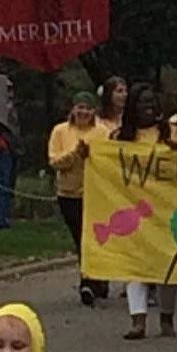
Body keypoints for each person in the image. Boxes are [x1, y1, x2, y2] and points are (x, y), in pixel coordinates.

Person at [111, 83, 177, 340]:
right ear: (132, 107)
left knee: (167, 265)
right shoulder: (119, 137)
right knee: (135, 265)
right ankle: (138, 321)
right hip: (133, 207)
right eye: (143, 102)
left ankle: (167, 319)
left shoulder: (173, 133)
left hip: (167, 210)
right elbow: (108, 167)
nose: (149, 107)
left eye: (152, 102)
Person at [48, 91, 108, 307]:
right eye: (79, 107)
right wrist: (75, 153)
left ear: (94, 111)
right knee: (79, 236)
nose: (83, 112)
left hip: (96, 193)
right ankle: (93, 278)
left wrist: (91, 155)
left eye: (88, 108)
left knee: (91, 237)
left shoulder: (102, 132)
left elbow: (109, 161)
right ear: (72, 109)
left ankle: (89, 281)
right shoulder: (60, 131)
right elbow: (54, 161)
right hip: (69, 194)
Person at [0, 71, 20, 230]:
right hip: (0, 140)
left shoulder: (2, 79)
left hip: (10, 139)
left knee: (8, 180)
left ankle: (4, 215)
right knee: (2, 181)